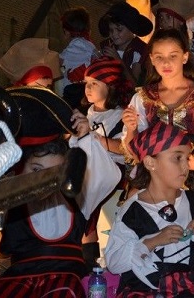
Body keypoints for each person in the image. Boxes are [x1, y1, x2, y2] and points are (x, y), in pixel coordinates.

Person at [0, 86, 121, 297]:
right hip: (19, 278)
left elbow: (108, 177)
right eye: (37, 170)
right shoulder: (9, 195)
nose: (45, 179)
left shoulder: (78, 195)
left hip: (65, 279)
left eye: (54, 172)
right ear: (19, 171)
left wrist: (84, 138)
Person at [105, 120, 194, 297]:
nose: (186, 166)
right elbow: (114, 262)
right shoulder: (132, 211)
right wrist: (153, 241)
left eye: (187, 158)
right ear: (151, 163)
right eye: (177, 158)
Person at [122, 28, 194, 206]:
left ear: (185, 57)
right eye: (159, 57)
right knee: (135, 206)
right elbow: (135, 150)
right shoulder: (143, 97)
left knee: (189, 218)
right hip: (154, 172)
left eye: (173, 56)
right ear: (151, 59)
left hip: (190, 172)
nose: (166, 62)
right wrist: (131, 129)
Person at [81, 56, 134, 268]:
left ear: (110, 86)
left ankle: (89, 262)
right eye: (86, 83)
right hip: (90, 169)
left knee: (87, 202)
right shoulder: (89, 113)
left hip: (113, 170)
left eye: (95, 83)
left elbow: (124, 149)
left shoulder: (121, 115)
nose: (88, 88)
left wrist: (96, 139)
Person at [98, 1, 154, 88]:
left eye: (119, 30)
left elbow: (135, 85)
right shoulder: (107, 46)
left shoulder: (140, 50)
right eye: (111, 30)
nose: (114, 34)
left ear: (131, 29)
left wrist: (118, 61)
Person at [58, 7, 96, 106]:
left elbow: (59, 62)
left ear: (66, 31)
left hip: (75, 93)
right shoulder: (87, 44)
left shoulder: (78, 44)